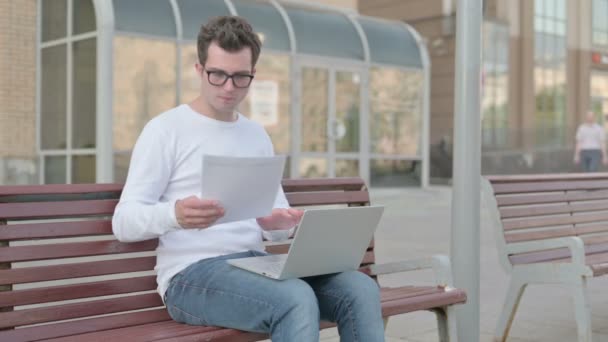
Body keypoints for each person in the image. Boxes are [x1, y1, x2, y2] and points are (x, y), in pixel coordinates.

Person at [112, 16, 385, 342]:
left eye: (241, 77)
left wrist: (279, 223)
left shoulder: (255, 134)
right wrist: (175, 215)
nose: (229, 87)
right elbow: (123, 221)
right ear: (200, 70)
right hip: (192, 275)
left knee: (360, 288)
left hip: (256, 266)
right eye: (218, 75)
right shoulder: (165, 130)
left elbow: (276, 222)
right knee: (294, 297)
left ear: (253, 74)